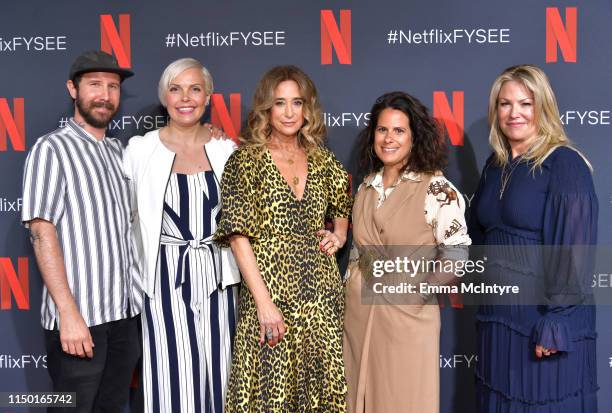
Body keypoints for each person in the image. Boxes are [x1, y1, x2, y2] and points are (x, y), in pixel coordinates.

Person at [215, 65, 351, 412]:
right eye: (280, 103)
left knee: (320, 395)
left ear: (308, 109)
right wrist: (263, 303)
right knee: (267, 395)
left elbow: (342, 207)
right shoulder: (245, 161)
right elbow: (237, 236)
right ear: (266, 109)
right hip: (270, 298)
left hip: (321, 298)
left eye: (297, 102)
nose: (289, 112)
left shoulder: (324, 161)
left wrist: (338, 234)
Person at [470, 64, 598, 412]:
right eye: (505, 104)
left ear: (543, 107)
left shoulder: (564, 164)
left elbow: (574, 250)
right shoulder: (495, 166)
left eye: (526, 104)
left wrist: (556, 320)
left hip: (542, 320)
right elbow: (478, 234)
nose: (515, 114)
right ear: (495, 111)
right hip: (499, 319)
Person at [21, 50, 141, 412]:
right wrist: (68, 314)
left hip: (123, 316)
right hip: (80, 320)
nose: (104, 95)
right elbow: (42, 232)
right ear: (73, 89)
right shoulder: (51, 149)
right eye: (94, 85)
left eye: (112, 86)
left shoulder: (120, 152)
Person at [124, 57, 240, 413]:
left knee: (224, 374)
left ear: (207, 97)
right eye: (175, 89)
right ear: (164, 97)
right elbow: (126, 221)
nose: (185, 97)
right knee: (172, 379)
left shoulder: (227, 149)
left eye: (194, 89)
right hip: (163, 282)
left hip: (221, 278)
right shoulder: (139, 151)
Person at [343, 91, 471, 413]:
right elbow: (358, 253)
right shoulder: (366, 186)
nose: (389, 139)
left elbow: (456, 254)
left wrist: (417, 295)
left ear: (415, 138)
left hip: (407, 321)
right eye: (382, 130)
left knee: (404, 400)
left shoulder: (436, 188)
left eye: (399, 131)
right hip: (358, 317)